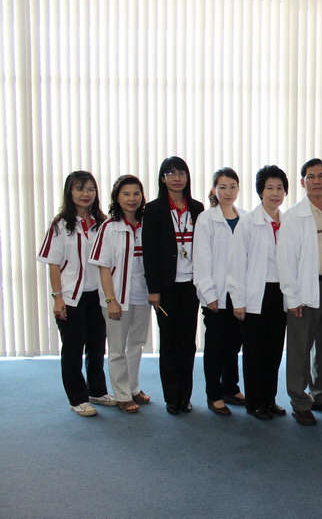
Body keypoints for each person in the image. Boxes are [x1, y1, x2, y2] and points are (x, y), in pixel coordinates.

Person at [37, 171, 115, 416]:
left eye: (90, 189)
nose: (85, 194)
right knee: (73, 349)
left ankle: (97, 391)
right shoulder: (61, 224)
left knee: (97, 347)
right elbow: (53, 263)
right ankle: (77, 398)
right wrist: (57, 297)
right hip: (72, 296)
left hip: (98, 295)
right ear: (70, 192)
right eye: (79, 188)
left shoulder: (103, 222)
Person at [276, 158, 322, 426]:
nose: (317, 181)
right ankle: (299, 400)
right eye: (311, 177)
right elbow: (286, 260)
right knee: (300, 349)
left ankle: (321, 394)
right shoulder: (294, 216)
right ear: (303, 182)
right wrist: (291, 297)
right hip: (306, 288)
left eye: (321, 175)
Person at [142, 156, 204, 415]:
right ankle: (171, 396)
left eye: (181, 173)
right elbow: (149, 252)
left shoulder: (197, 208)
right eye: (171, 174)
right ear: (162, 178)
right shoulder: (154, 209)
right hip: (166, 288)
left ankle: (185, 396)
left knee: (187, 342)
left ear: (187, 177)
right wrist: (153, 290)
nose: (177, 178)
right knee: (169, 342)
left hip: (191, 286)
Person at [227, 165, 290, 421]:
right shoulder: (248, 223)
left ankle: (269, 399)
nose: (275, 193)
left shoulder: (287, 222)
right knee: (254, 352)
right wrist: (238, 301)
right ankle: (254, 403)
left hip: (280, 293)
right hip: (256, 293)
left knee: (274, 350)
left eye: (280, 188)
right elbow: (236, 264)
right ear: (260, 192)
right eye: (269, 188)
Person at [89, 175, 152, 414]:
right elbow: (103, 266)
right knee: (117, 349)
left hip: (142, 295)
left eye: (136, 193)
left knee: (136, 345)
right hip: (116, 298)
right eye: (126, 194)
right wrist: (110, 300)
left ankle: (133, 388)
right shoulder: (109, 227)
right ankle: (122, 395)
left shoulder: (147, 224)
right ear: (117, 197)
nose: (131, 198)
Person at [193, 168, 247, 416]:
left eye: (232, 186)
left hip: (238, 294)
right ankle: (214, 394)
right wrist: (209, 294)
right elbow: (201, 259)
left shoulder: (245, 217)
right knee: (216, 346)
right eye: (222, 187)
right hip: (216, 294)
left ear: (238, 188)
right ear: (214, 190)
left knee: (234, 344)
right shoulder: (206, 219)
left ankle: (230, 388)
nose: (228, 192)